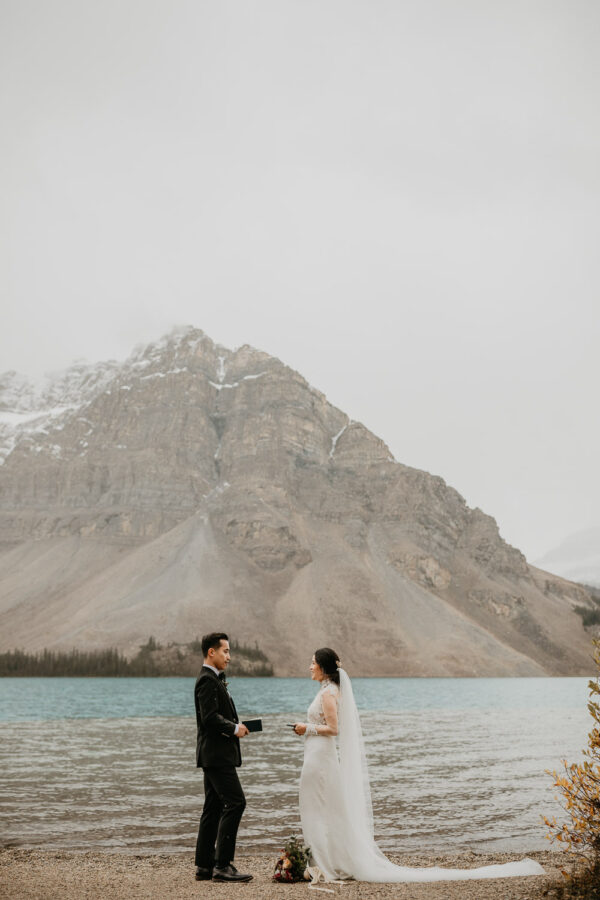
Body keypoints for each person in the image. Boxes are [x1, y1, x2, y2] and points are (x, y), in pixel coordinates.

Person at [292, 647, 545, 884]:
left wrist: (307, 728)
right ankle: (320, 859)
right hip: (317, 755)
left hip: (321, 758)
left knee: (319, 807)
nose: (309, 666)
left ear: (323, 668)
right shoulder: (327, 691)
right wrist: (308, 730)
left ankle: (322, 862)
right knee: (319, 807)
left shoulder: (328, 694)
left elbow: (334, 729)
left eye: (313, 663)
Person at [194, 632, 253, 883]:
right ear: (212, 652)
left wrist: (236, 725)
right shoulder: (207, 680)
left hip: (213, 755)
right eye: (225, 651)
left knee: (213, 807)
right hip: (217, 756)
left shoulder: (213, 679)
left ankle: (205, 866)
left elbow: (214, 716)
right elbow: (209, 718)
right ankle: (223, 865)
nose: (229, 656)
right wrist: (233, 728)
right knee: (236, 802)